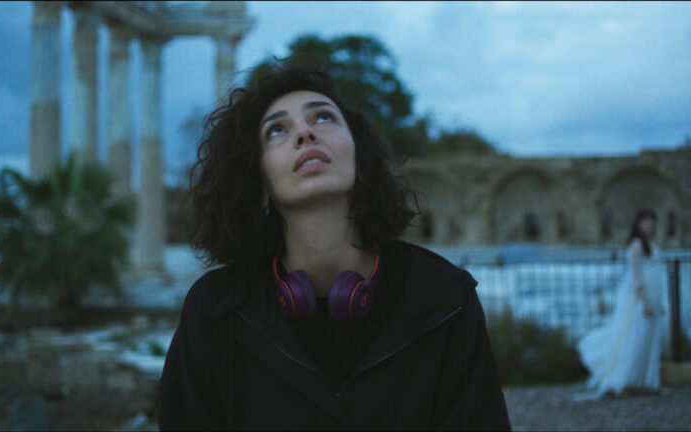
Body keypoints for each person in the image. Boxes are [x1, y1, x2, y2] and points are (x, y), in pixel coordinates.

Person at [158, 64, 510, 430]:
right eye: (277, 129)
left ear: (360, 160)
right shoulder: (216, 311)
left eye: (323, 117)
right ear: (259, 184)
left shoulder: (444, 299)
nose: (305, 132)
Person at [576, 208, 668, 400]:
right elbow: (635, 276)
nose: (650, 225)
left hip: (652, 297)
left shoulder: (651, 245)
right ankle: (624, 381)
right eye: (646, 222)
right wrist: (645, 301)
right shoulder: (636, 245)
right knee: (633, 339)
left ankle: (647, 381)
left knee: (649, 340)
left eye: (652, 222)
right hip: (639, 301)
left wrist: (657, 302)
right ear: (638, 224)